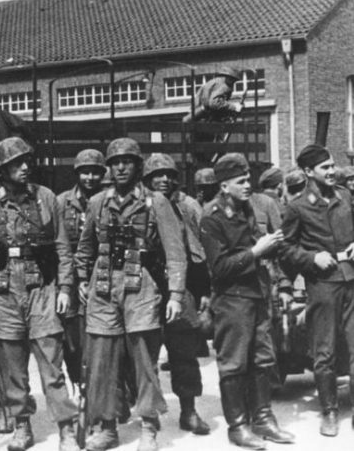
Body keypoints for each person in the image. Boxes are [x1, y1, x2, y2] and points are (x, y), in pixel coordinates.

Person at [0, 136, 79, 451]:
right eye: (17, 164)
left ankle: (67, 429)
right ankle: (21, 426)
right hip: (3, 290)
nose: (25, 167)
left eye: (27, 161)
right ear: (2, 170)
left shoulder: (47, 199)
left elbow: (62, 248)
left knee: (51, 364)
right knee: (12, 366)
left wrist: (66, 288)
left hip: (42, 286)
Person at [75, 139, 186, 451]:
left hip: (142, 285)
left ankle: (149, 427)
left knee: (144, 361)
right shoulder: (97, 202)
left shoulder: (157, 202)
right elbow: (85, 247)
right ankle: (107, 426)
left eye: (127, 161)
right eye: (115, 162)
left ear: (139, 166)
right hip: (103, 287)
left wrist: (175, 293)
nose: (120, 167)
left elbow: (175, 252)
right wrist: (82, 279)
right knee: (101, 360)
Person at [200, 153, 294, 450]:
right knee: (234, 364)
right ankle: (238, 425)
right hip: (231, 301)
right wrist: (256, 251)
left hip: (256, 294)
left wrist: (271, 249)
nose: (247, 186)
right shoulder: (212, 217)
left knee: (263, 359)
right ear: (224, 186)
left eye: (248, 180)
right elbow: (220, 268)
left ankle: (263, 419)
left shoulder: (247, 208)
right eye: (241, 182)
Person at [279, 144, 354, 437]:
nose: (332, 171)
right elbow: (284, 247)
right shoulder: (297, 206)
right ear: (309, 172)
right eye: (325, 167)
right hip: (322, 285)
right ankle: (330, 411)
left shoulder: (345, 196)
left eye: (333, 165)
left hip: (352, 280)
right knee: (324, 351)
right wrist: (311, 258)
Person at [141, 153, 210, 436]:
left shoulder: (188, 206)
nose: (164, 180)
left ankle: (189, 410)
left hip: (182, 290)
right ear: (147, 179)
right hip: (146, 288)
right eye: (157, 175)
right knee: (147, 354)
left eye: (169, 175)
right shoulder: (140, 204)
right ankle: (150, 415)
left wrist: (204, 290)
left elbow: (201, 248)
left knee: (184, 353)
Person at [56, 149, 105, 387]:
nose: (90, 178)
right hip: (69, 273)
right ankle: (78, 381)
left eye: (95, 173)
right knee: (71, 335)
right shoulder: (61, 201)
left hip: (99, 271)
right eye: (85, 172)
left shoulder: (108, 199)